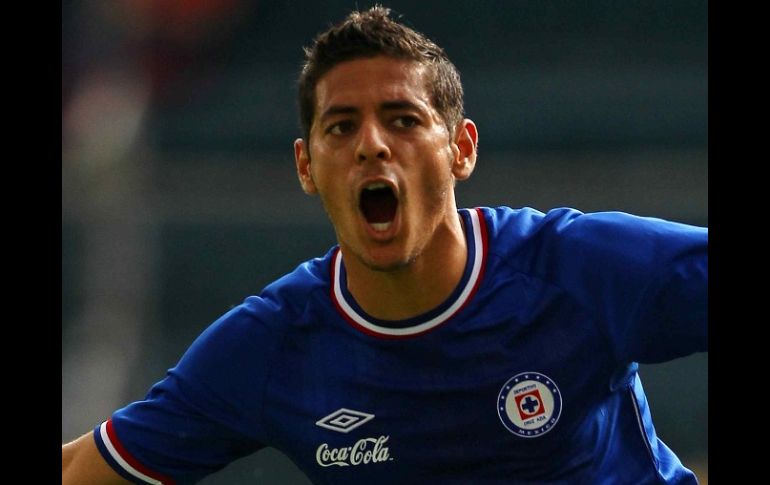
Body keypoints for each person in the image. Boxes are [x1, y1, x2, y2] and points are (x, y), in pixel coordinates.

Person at [62, 6, 708, 484]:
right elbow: (90, 468)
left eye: (402, 120)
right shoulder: (270, 346)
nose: (372, 143)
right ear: (306, 165)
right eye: (341, 126)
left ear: (461, 148)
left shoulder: (580, 267)